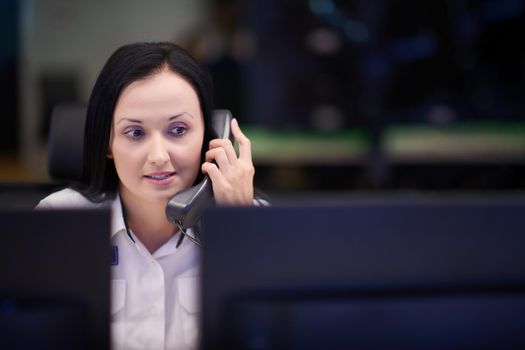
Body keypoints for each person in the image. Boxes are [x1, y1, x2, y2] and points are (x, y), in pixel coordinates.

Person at [37, 42, 259, 350]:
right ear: (107, 142)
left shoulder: (252, 217)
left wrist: (239, 229)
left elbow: (271, 333)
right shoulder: (59, 221)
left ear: (210, 138)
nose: (158, 156)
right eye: (135, 133)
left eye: (178, 130)